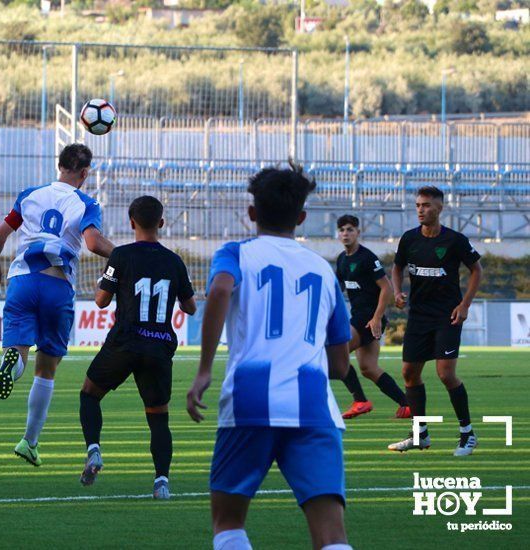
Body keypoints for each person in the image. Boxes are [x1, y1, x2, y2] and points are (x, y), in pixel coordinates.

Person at [186, 165, 353, 550]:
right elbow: (341, 366)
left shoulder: (236, 253)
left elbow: (221, 289)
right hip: (314, 407)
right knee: (332, 537)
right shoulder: (323, 271)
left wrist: (205, 370)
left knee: (227, 523)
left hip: (250, 401)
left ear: (252, 213)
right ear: (301, 217)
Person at [0, 143, 114, 467]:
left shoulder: (30, 194)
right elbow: (93, 242)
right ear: (84, 173)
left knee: (20, 355)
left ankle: (11, 366)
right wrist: (126, 255)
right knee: (47, 369)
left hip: (22, 280)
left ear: (59, 165)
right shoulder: (86, 202)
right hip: (57, 284)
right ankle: (29, 442)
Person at [78, 196, 197, 499]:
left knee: (90, 393)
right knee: (158, 416)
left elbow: (101, 301)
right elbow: (191, 307)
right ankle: (162, 483)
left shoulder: (121, 256)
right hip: (158, 346)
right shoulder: (174, 261)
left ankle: (94, 450)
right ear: (161, 222)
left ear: (131, 223)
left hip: (125, 341)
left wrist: (105, 281)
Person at [387, 186, 483, 456]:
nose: (421, 209)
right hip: (418, 315)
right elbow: (397, 266)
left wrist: (464, 305)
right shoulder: (408, 239)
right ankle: (420, 434)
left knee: (445, 373)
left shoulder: (454, 240)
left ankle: (467, 434)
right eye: (418, 205)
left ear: (439, 208)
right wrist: (397, 291)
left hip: (447, 316)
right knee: (409, 373)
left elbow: (477, 269)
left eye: (426, 205)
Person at [335, 215, 410, 420]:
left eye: (350, 229)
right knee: (369, 368)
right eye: (342, 230)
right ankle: (407, 404)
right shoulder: (342, 259)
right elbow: (337, 290)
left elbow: (386, 289)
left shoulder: (367, 258)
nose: (346, 234)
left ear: (358, 232)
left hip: (367, 319)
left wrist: (377, 318)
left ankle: (360, 400)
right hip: (358, 317)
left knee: (336, 354)